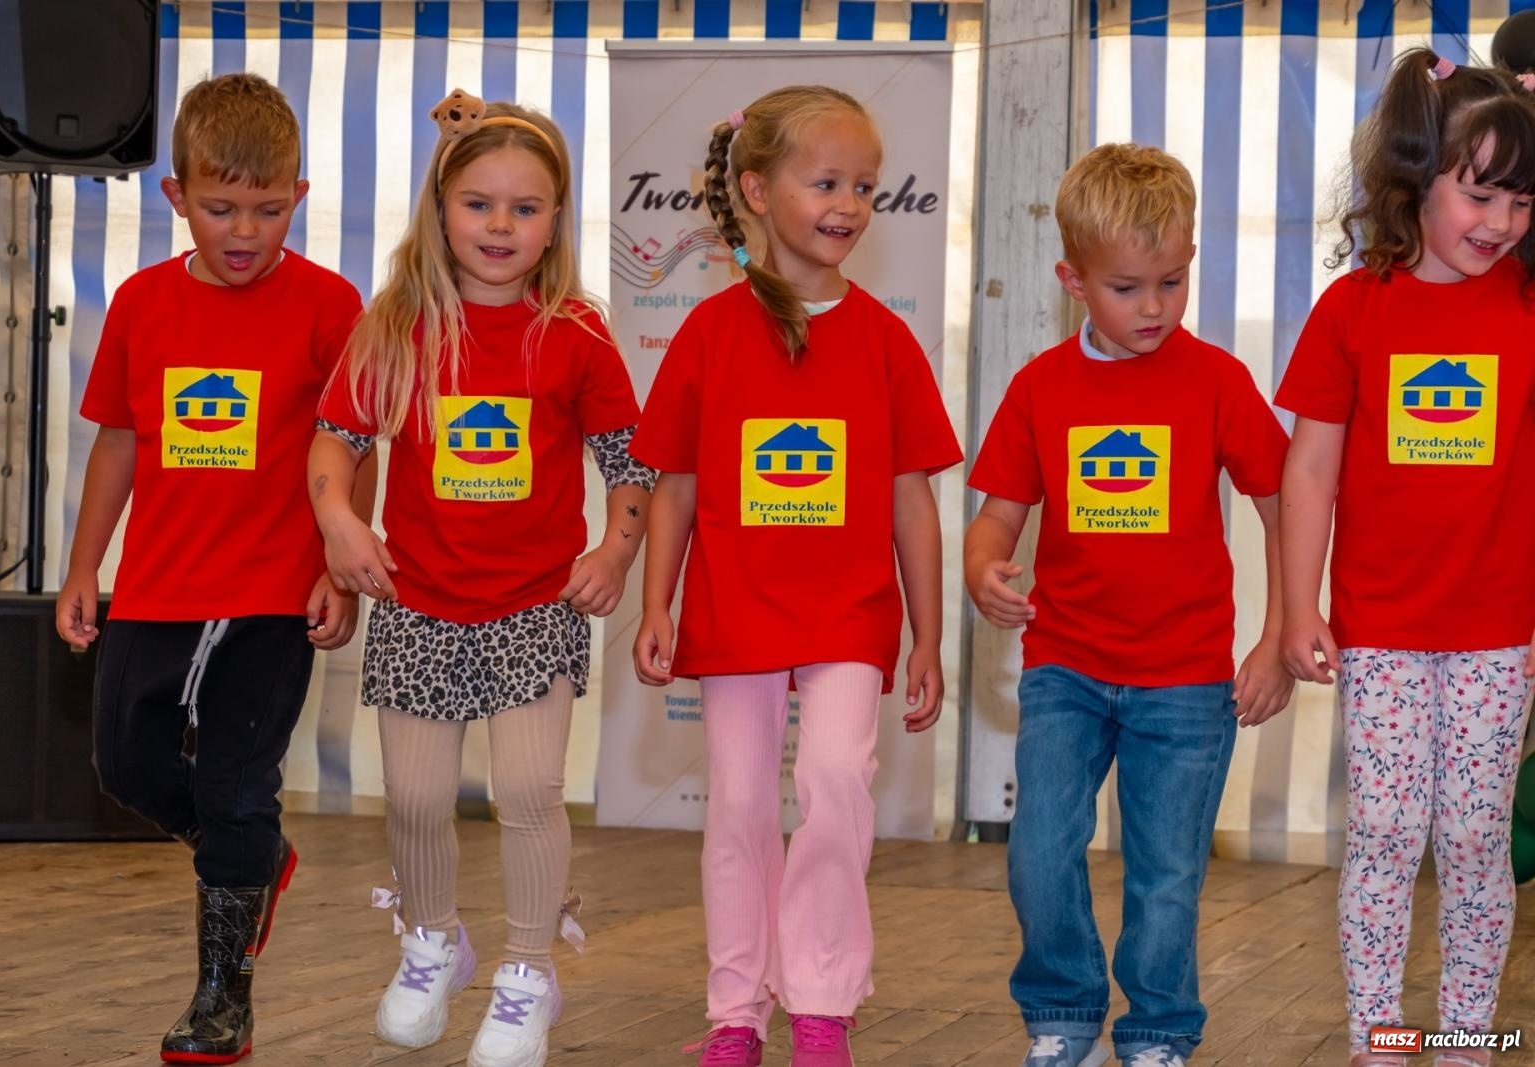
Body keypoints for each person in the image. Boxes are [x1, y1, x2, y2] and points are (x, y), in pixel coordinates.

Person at [309, 90, 655, 1067]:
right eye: (479, 203)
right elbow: (334, 440)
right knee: (416, 800)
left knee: (531, 788)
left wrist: (614, 551)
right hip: (418, 601)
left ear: (555, 220)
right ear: (441, 208)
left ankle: (529, 970)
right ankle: (431, 940)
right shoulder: (394, 325)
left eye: (525, 207)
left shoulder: (577, 332)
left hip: (535, 604)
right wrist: (340, 522)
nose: (500, 225)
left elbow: (631, 464)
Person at [631, 85, 962, 1067]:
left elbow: (912, 501)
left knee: (833, 781)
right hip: (734, 611)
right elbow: (675, 487)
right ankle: (737, 1011)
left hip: (850, 616)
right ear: (756, 190)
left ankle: (821, 1001)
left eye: (865, 186)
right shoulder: (706, 333)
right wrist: (656, 602)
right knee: (738, 804)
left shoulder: (887, 339)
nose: (849, 204)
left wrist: (929, 635)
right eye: (826, 182)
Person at [55, 72, 364, 1065]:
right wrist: (83, 565)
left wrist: (340, 564)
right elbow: (118, 441)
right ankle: (253, 853)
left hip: (274, 592)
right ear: (176, 195)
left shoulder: (331, 306)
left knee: (235, 781)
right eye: (222, 207)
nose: (245, 230)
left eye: (269, 209)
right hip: (157, 583)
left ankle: (221, 998)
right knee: (124, 763)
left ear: (300, 196)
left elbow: (355, 441)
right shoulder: (141, 303)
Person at [965, 142, 1292, 1067]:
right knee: (1038, 851)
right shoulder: (1039, 387)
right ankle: (1062, 1010)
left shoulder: (1218, 381)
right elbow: (996, 517)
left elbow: (1284, 504)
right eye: (1126, 288)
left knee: (1166, 873)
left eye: (1172, 282)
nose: (1154, 307)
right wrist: (983, 568)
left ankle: (1157, 1028)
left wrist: (1278, 634)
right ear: (1072, 280)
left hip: (1186, 679)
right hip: (1064, 670)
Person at [1276, 50, 1535, 1067]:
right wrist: (1299, 606)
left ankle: (1469, 1039)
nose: (1502, 221)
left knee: (1473, 836)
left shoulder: (1527, 304)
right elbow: (1308, 472)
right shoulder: (1353, 307)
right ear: (1414, 180)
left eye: (1523, 199)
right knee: (1385, 831)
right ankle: (1380, 1038)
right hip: (1379, 628)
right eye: (1480, 193)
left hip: (1496, 631)